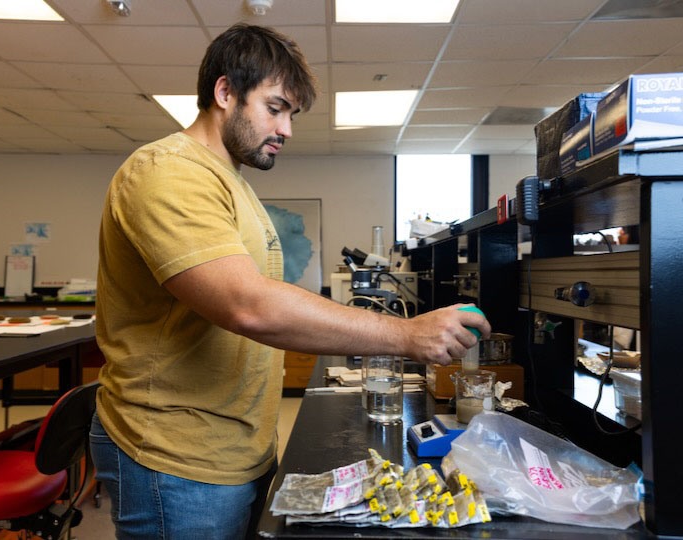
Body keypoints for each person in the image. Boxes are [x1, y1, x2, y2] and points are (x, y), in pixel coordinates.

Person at [90, 23, 491, 540]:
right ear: (225, 91)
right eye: (275, 107)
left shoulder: (232, 181)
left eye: (291, 114)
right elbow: (248, 306)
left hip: (235, 443)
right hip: (177, 454)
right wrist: (407, 336)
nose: (287, 129)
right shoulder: (167, 172)